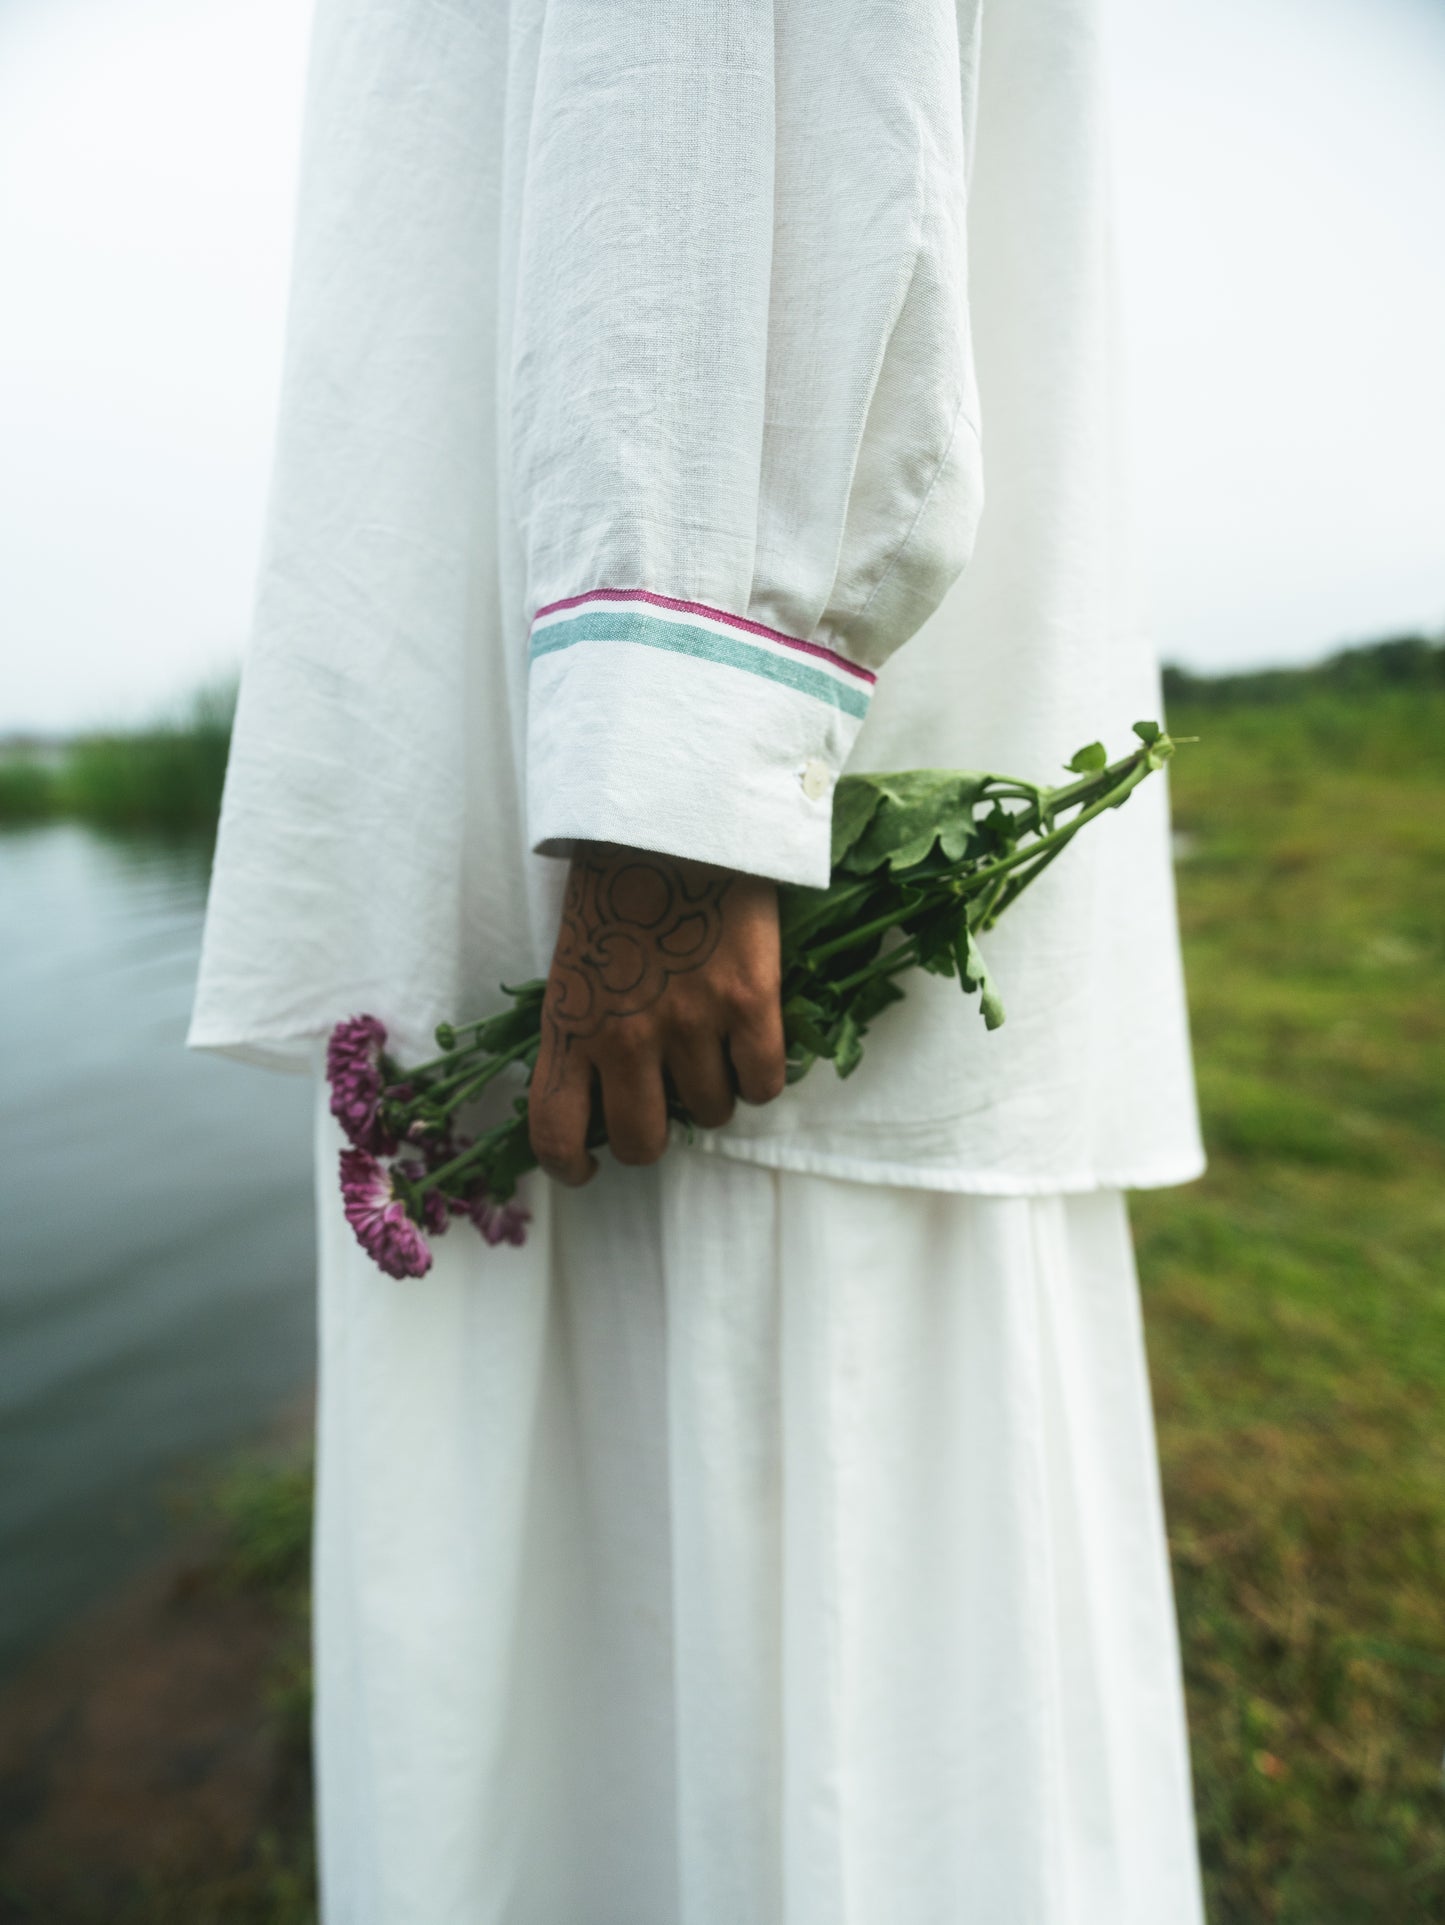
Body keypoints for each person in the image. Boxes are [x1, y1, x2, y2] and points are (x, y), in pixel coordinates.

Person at [191, 0, 1208, 1918]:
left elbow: (707, 61)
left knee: (761, 1629)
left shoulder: (664, 831)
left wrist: (675, 755)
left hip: (667, 867)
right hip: (633, 778)